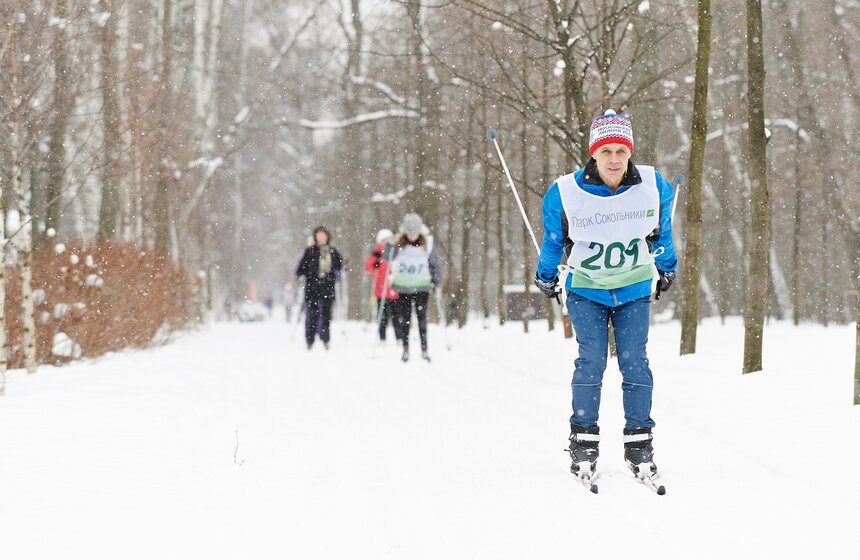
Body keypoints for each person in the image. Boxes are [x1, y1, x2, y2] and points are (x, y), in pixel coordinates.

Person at [533, 109, 678, 482]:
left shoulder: (653, 184)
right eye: (606, 151)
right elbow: (553, 241)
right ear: (593, 153)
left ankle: (639, 444)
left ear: (629, 152)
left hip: (632, 287)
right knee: (592, 361)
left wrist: (667, 267)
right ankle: (583, 442)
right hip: (586, 289)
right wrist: (546, 277)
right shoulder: (564, 191)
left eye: (621, 151)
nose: (614, 159)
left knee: (635, 363)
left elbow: (661, 234)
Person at [391, 213, 441, 362]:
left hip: (422, 286)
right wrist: (390, 245)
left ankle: (424, 348)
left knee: (421, 318)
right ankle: (406, 348)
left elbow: (434, 264)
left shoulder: (428, 243)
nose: (412, 236)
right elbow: (386, 257)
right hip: (403, 287)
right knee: (405, 319)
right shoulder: (399, 244)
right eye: (409, 232)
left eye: (415, 232)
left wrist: (435, 280)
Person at [295, 226, 344, 350]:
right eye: (319, 235)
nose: (321, 237)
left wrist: (338, 272)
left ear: (327, 237)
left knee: (326, 315)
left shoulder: (333, 251)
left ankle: (325, 339)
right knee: (311, 315)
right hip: (312, 288)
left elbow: (339, 267)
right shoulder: (310, 251)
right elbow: (300, 269)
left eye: (324, 235)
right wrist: (301, 276)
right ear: (315, 237)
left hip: (327, 287)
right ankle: (310, 340)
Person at [364, 228, 400, 342]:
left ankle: (399, 337)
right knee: (382, 316)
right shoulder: (377, 254)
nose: (386, 243)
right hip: (381, 290)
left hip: (394, 290)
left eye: (388, 240)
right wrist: (375, 263)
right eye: (383, 240)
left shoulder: (396, 252)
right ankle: (382, 338)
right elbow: (368, 268)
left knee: (397, 316)